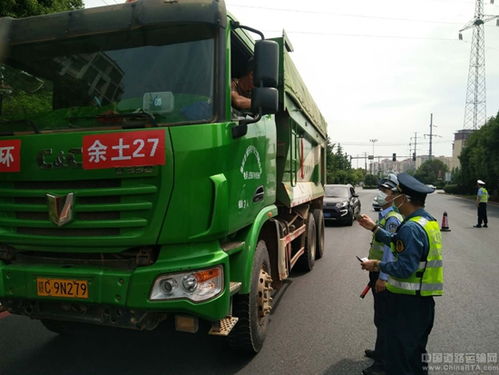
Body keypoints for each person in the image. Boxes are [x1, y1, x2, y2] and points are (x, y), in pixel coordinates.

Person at [358, 173, 443, 375]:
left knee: (402, 361)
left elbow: (405, 268)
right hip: (421, 303)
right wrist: (375, 228)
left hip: (408, 306)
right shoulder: (426, 221)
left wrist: (377, 265)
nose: (392, 198)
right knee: (414, 357)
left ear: (405, 199)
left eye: (396, 195)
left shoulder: (411, 228)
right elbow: (399, 243)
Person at [362, 174, 403, 375]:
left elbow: (390, 249)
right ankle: (380, 352)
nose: (380, 194)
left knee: (385, 319)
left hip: (382, 274)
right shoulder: (385, 215)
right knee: (380, 317)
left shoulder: (393, 218)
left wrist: (383, 277)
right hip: (376, 271)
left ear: (394, 196)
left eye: (385, 191)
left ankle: (383, 364)